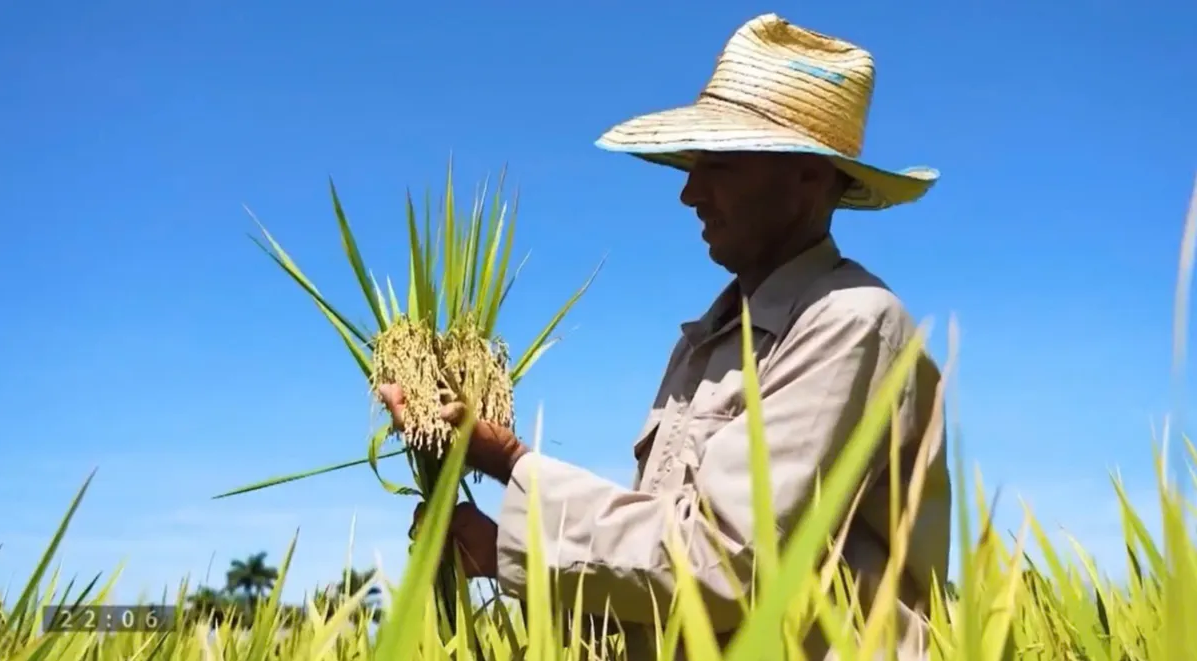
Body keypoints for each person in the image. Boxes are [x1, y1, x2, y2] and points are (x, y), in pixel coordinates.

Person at [379, 12, 952, 661]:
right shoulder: (707, 343)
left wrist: (507, 514)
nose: (690, 192)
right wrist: (504, 482)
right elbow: (664, 580)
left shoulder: (850, 322)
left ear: (808, 176)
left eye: (721, 164)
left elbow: (723, 562)